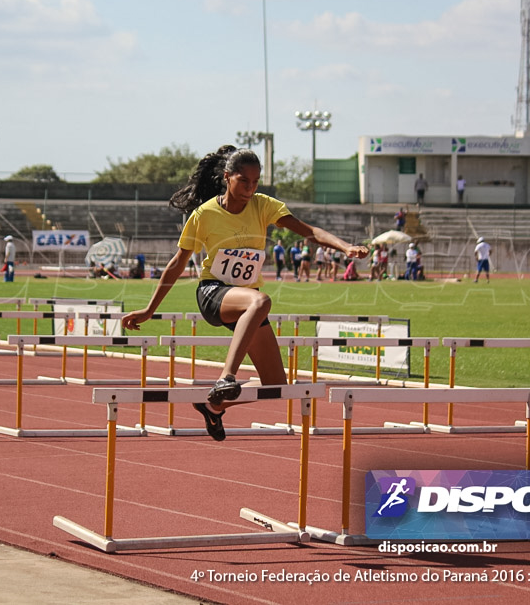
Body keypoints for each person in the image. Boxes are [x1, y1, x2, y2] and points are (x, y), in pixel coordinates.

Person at [121, 145, 367, 441]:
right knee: (261, 300)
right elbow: (177, 264)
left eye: (255, 182)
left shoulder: (263, 206)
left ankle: (215, 404)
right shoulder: (204, 215)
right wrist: (149, 310)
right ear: (227, 177)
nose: (250, 188)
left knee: (277, 385)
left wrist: (345, 247)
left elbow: (308, 231)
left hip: (247, 305)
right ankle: (226, 377)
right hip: (214, 293)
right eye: (243, 181)